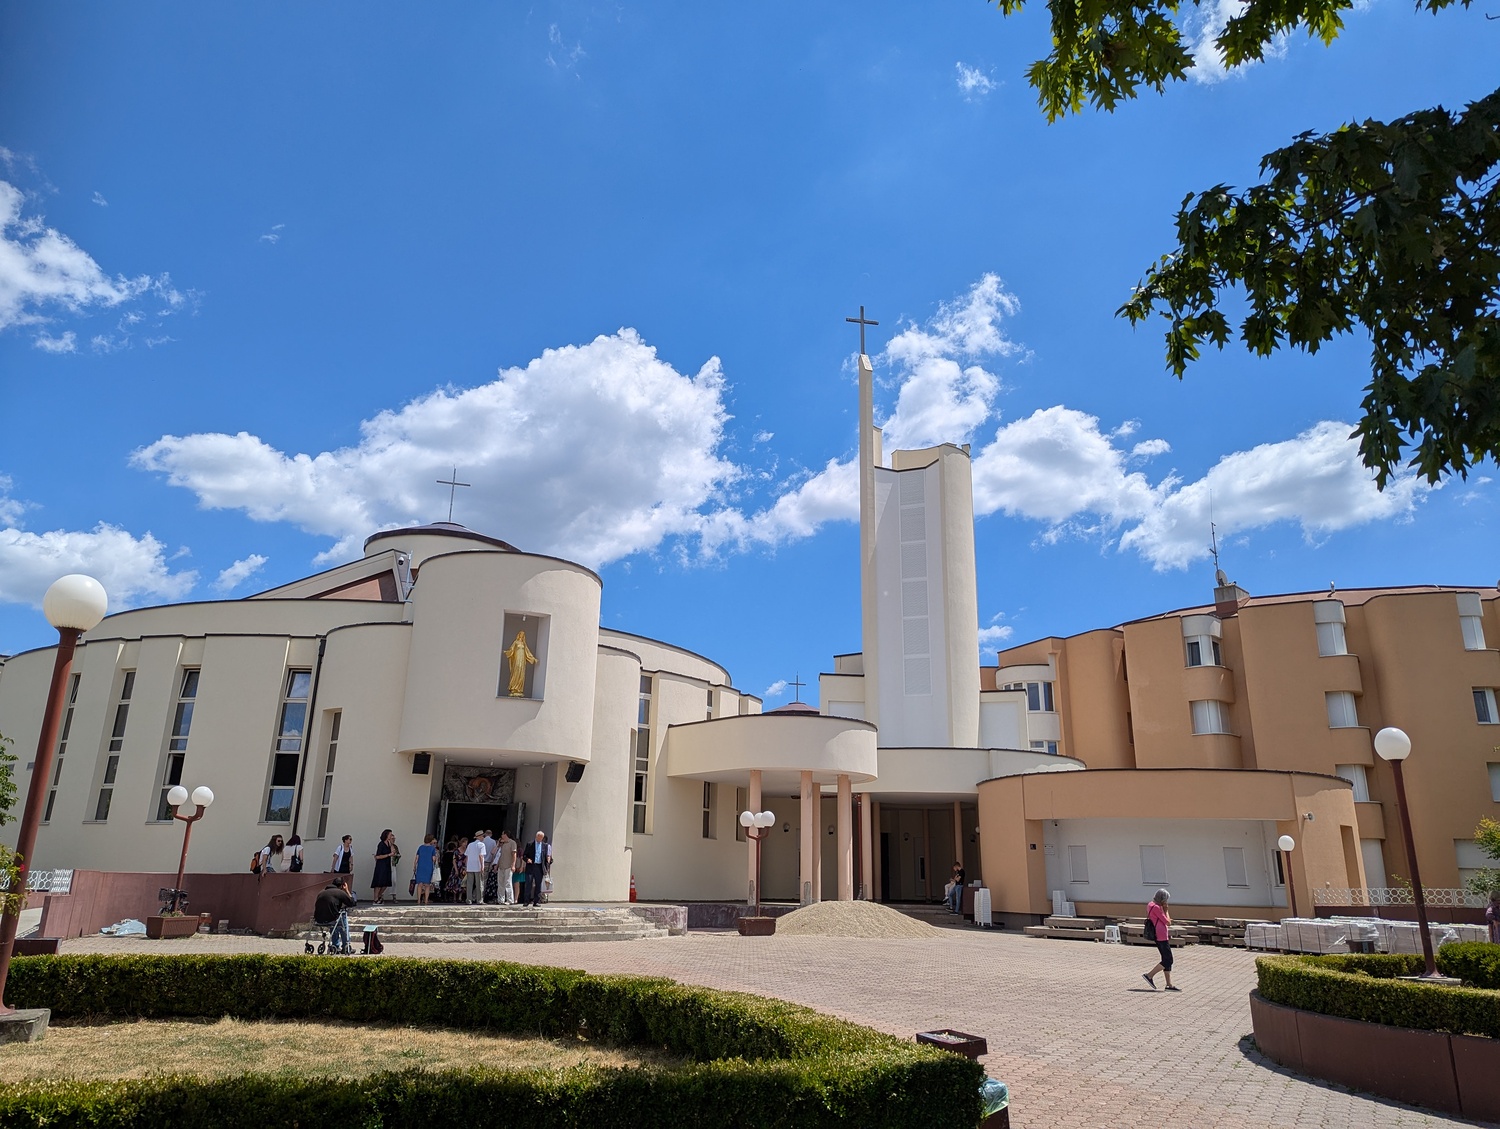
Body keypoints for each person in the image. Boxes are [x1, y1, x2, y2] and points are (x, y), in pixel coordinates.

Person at [1142, 889, 1178, 991]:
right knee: (1168, 960)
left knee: (1165, 959)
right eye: (1165, 899)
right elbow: (1168, 922)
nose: (1166, 901)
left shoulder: (1150, 904)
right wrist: (1166, 911)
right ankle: (1149, 975)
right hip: (1161, 935)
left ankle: (1169, 984)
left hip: (1159, 934)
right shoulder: (1157, 908)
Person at [314, 875, 356, 953]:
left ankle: (335, 945)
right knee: (342, 915)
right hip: (331, 919)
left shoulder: (321, 892)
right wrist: (347, 890)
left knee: (335, 919)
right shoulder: (339, 892)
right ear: (342, 886)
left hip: (318, 919)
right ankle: (346, 945)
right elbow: (352, 903)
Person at [522, 830, 552, 906]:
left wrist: (548, 863)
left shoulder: (545, 846)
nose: (541, 839)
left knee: (538, 884)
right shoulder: (530, 844)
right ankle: (526, 901)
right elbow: (524, 855)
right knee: (528, 883)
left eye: (542, 837)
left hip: (539, 867)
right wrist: (527, 859)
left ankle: (536, 901)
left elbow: (546, 857)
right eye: (540, 837)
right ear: (537, 836)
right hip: (531, 866)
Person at [371, 829, 397, 904]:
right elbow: (378, 856)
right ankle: (375, 898)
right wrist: (388, 855)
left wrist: (391, 843)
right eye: (390, 835)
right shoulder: (381, 844)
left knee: (386, 882)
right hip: (381, 865)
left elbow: (393, 852)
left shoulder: (389, 844)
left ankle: (379, 895)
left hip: (387, 865)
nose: (391, 836)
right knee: (379, 882)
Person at [463, 831, 489, 904]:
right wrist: (482, 866)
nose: (483, 838)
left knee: (469, 884)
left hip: (470, 866)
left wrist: (466, 866)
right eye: (483, 836)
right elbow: (481, 856)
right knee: (479, 884)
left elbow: (467, 856)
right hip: (478, 866)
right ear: (480, 837)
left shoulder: (470, 845)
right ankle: (479, 900)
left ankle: (469, 900)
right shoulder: (482, 845)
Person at [413, 834, 439, 905]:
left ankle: (418, 900)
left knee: (420, 884)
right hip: (428, 867)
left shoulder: (420, 847)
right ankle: (426, 901)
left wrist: (414, 866)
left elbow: (417, 858)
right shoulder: (432, 849)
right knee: (427, 885)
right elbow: (433, 859)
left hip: (420, 866)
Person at [494, 831, 518, 905]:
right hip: (501, 866)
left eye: (502, 834)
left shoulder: (512, 843)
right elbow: (500, 855)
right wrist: (497, 865)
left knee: (508, 883)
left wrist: (513, 865)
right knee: (500, 883)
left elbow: (514, 855)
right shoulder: (502, 844)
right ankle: (501, 899)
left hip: (508, 866)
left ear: (505, 835)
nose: (501, 835)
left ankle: (510, 900)